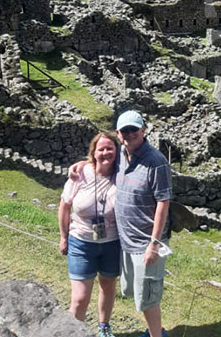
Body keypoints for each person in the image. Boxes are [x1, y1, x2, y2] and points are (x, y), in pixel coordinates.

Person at [71, 111, 172, 337]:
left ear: (143, 130)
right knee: (137, 292)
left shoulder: (156, 161)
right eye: (124, 131)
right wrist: (80, 164)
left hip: (146, 241)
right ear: (118, 134)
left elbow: (163, 203)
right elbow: (100, 157)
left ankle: (157, 335)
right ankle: (155, 330)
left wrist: (154, 244)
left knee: (147, 296)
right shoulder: (123, 155)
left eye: (133, 129)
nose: (129, 134)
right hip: (126, 241)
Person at [59, 131, 122, 337]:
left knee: (108, 285)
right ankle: (72, 333)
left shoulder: (122, 172)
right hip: (81, 241)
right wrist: (63, 236)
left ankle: (104, 327)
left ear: (117, 151)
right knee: (79, 298)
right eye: (101, 149)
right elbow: (65, 205)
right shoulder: (81, 173)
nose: (105, 152)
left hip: (112, 242)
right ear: (93, 152)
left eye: (110, 148)